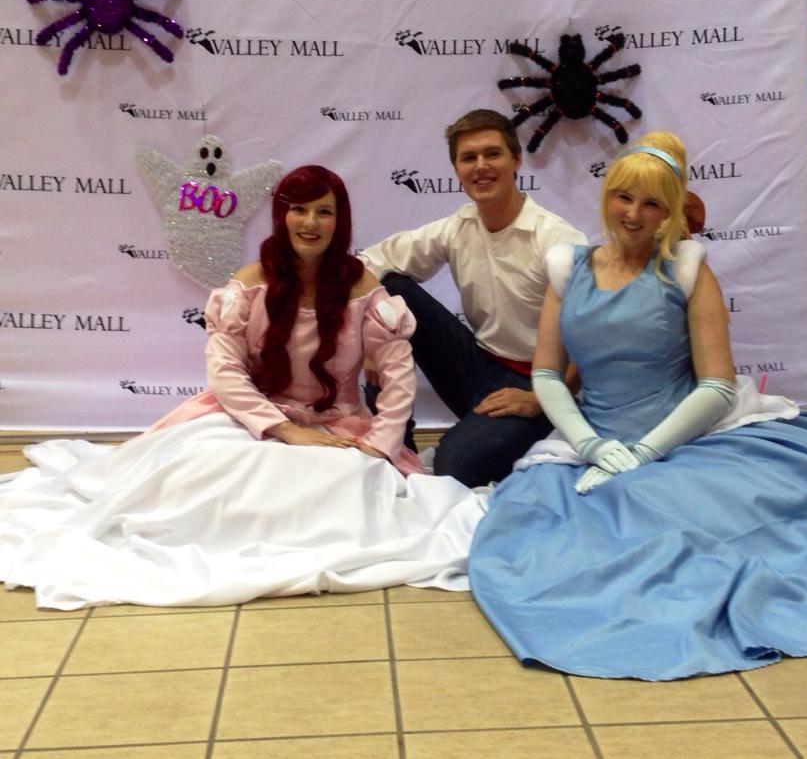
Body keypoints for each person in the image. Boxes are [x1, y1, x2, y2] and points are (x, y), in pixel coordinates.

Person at [468, 131, 807, 681]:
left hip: (687, 437)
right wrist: (590, 444)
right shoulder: (567, 267)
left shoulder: (686, 269)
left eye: (652, 203)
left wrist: (645, 451)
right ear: (607, 196)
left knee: (736, 528)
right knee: (536, 547)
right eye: (624, 197)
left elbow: (718, 386)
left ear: (670, 211)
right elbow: (546, 373)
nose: (633, 214)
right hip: (591, 444)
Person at [0, 166, 487, 610]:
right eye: (299, 209)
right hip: (252, 418)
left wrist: (380, 445)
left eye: (324, 211)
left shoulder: (363, 288)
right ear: (282, 215)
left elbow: (398, 379)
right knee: (211, 474)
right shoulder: (250, 284)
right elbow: (226, 372)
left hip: (339, 426)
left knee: (340, 486)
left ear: (341, 220)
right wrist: (284, 429)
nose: (311, 222)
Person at [361, 109, 586, 487]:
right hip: (479, 367)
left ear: (516, 160)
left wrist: (539, 400)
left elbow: (596, 338)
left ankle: (523, 433)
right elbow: (370, 263)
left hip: (542, 383)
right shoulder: (458, 228)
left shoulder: (557, 240)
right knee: (391, 289)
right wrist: (373, 339)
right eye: (469, 158)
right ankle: (398, 448)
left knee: (454, 466)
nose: (481, 166)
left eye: (492, 154)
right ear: (457, 169)